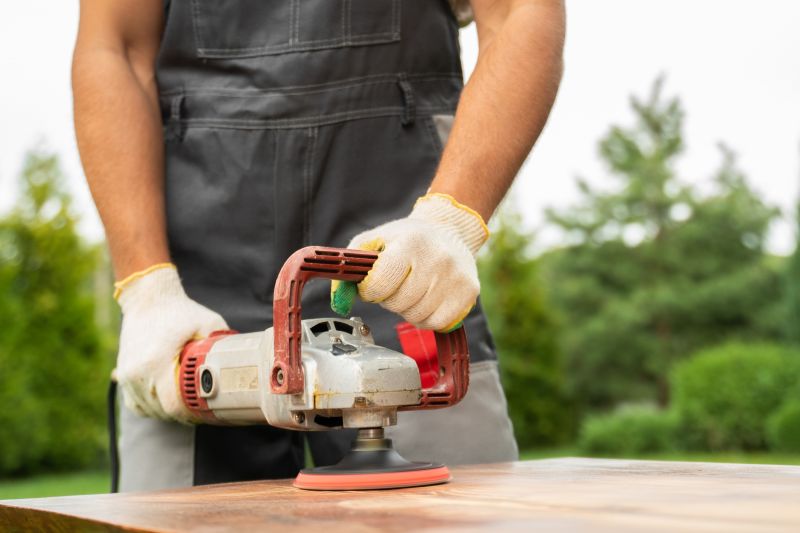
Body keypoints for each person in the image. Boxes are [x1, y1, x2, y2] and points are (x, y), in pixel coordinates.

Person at [72, 0, 566, 491]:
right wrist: (146, 288)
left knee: (459, 515)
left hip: (402, 269)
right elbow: (114, 48)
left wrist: (451, 217)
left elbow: (519, 12)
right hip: (193, 309)